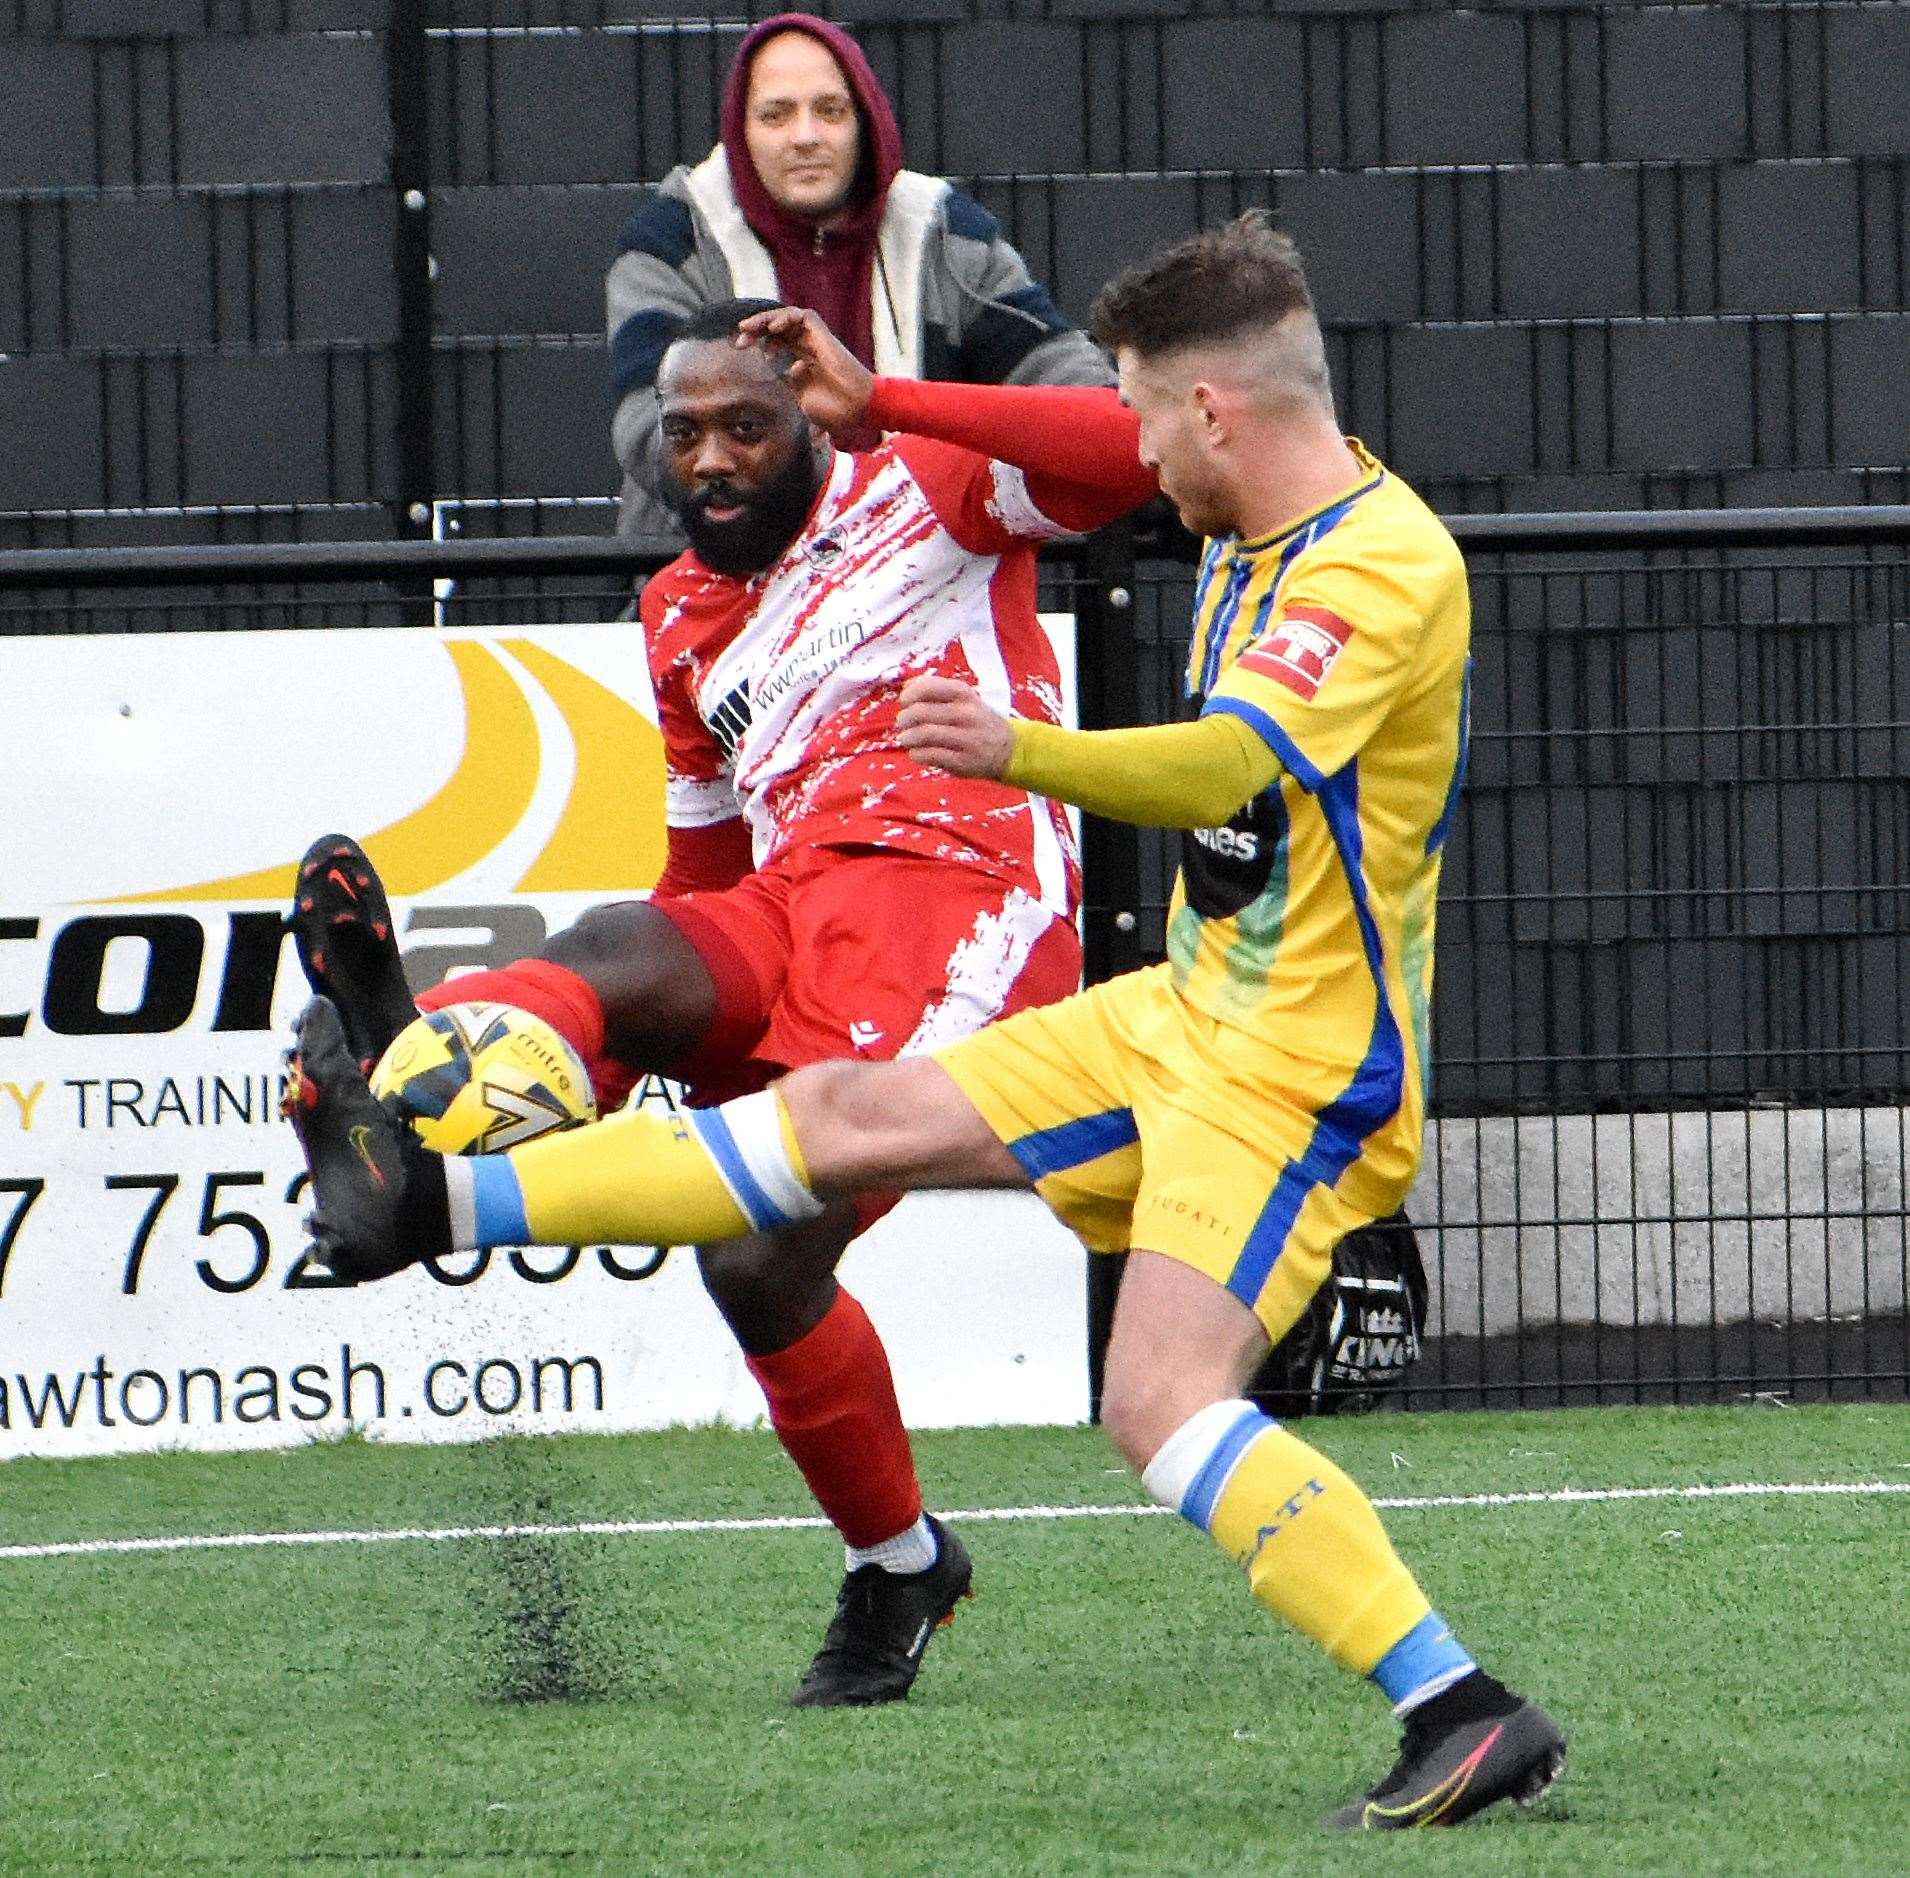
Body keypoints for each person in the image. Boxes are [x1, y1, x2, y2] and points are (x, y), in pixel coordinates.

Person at [288, 213, 1566, 1827]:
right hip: (1182, 1013)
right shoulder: (1261, 530)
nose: (1136, 451)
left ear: (1213, 411)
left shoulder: (1381, 562)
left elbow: (1227, 766)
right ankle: (429, 1192)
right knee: (845, 1118)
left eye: (1147, 413)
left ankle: (1460, 1702)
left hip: (1295, 1071)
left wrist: (1015, 745)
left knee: (1158, 1400)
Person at [287, 296, 1156, 1708]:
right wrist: (622, 1054)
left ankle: (897, 1568)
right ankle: (416, 1071)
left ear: (805, 418)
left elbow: (1130, 450)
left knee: (754, 1258)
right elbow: (704, 869)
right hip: (788, 898)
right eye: (682, 435)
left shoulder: (923, 486)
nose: (709, 460)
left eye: (746, 426)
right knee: (628, 941)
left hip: (959, 889)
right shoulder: (678, 610)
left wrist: (892, 398)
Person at [607, 11, 1111, 544]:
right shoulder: (673, 240)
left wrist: (1145, 428)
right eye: (777, 115)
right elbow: (647, 428)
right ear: (740, 131)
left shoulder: (947, 232)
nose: (805, 136)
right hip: (723, 570)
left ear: (866, 121)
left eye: (830, 111)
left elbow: (1060, 373)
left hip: (923, 577)